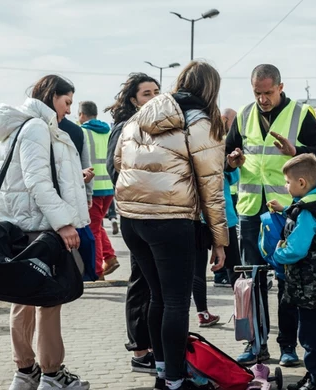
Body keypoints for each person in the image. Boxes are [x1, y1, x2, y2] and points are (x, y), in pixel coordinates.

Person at [114, 61, 227, 390]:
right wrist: (219, 240)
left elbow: (120, 162)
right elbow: (211, 185)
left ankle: (163, 372)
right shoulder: (200, 121)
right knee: (176, 302)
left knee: (157, 298)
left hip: (132, 220)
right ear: (210, 89)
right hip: (171, 221)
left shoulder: (139, 117)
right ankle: (175, 380)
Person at [226, 64, 316, 366]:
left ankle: (287, 346)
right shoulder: (245, 114)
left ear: (280, 87)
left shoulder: (299, 115)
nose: (263, 99)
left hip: (285, 212)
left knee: (288, 282)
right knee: (251, 280)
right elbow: (228, 154)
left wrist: (296, 150)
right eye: (257, 93)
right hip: (250, 210)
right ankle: (255, 344)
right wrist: (231, 161)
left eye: (268, 93)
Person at [0, 75, 90, 390]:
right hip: (39, 229)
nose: (69, 111)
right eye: (66, 102)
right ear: (51, 97)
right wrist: (64, 222)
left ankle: (25, 372)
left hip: (19, 227)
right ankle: (52, 374)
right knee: (48, 300)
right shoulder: (36, 127)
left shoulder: (17, 127)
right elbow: (37, 181)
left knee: (21, 300)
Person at [267, 154, 316, 390]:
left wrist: (276, 254)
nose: (285, 186)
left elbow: (296, 249)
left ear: (301, 183)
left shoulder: (308, 211)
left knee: (310, 336)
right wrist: (286, 211)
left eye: (288, 182)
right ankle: (314, 375)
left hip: (308, 284)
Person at [105, 72, 160, 373]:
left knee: (151, 283)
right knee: (141, 282)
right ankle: (140, 350)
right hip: (136, 216)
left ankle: (149, 346)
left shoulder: (150, 126)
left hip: (150, 214)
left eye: (156, 92)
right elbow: (117, 174)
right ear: (132, 100)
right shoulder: (125, 128)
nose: (153, 97)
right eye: (146, 94)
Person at [78, 101, 118, 280]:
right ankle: (109, 257)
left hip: (92, 187)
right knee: (97, 225)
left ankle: (96, 272)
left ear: (81, 114)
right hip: (109, 187)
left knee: (93, 228)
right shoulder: (108, 132)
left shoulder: (83, 132)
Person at [213, 108, 238, 287]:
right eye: (233, 122)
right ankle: (243, 311)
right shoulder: (222, 144)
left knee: (196, 269)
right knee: (234, 264)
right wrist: (230, 166)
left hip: (205, 211)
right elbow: (234, 176)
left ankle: (202, 311)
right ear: (224, 119)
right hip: (223, 209)